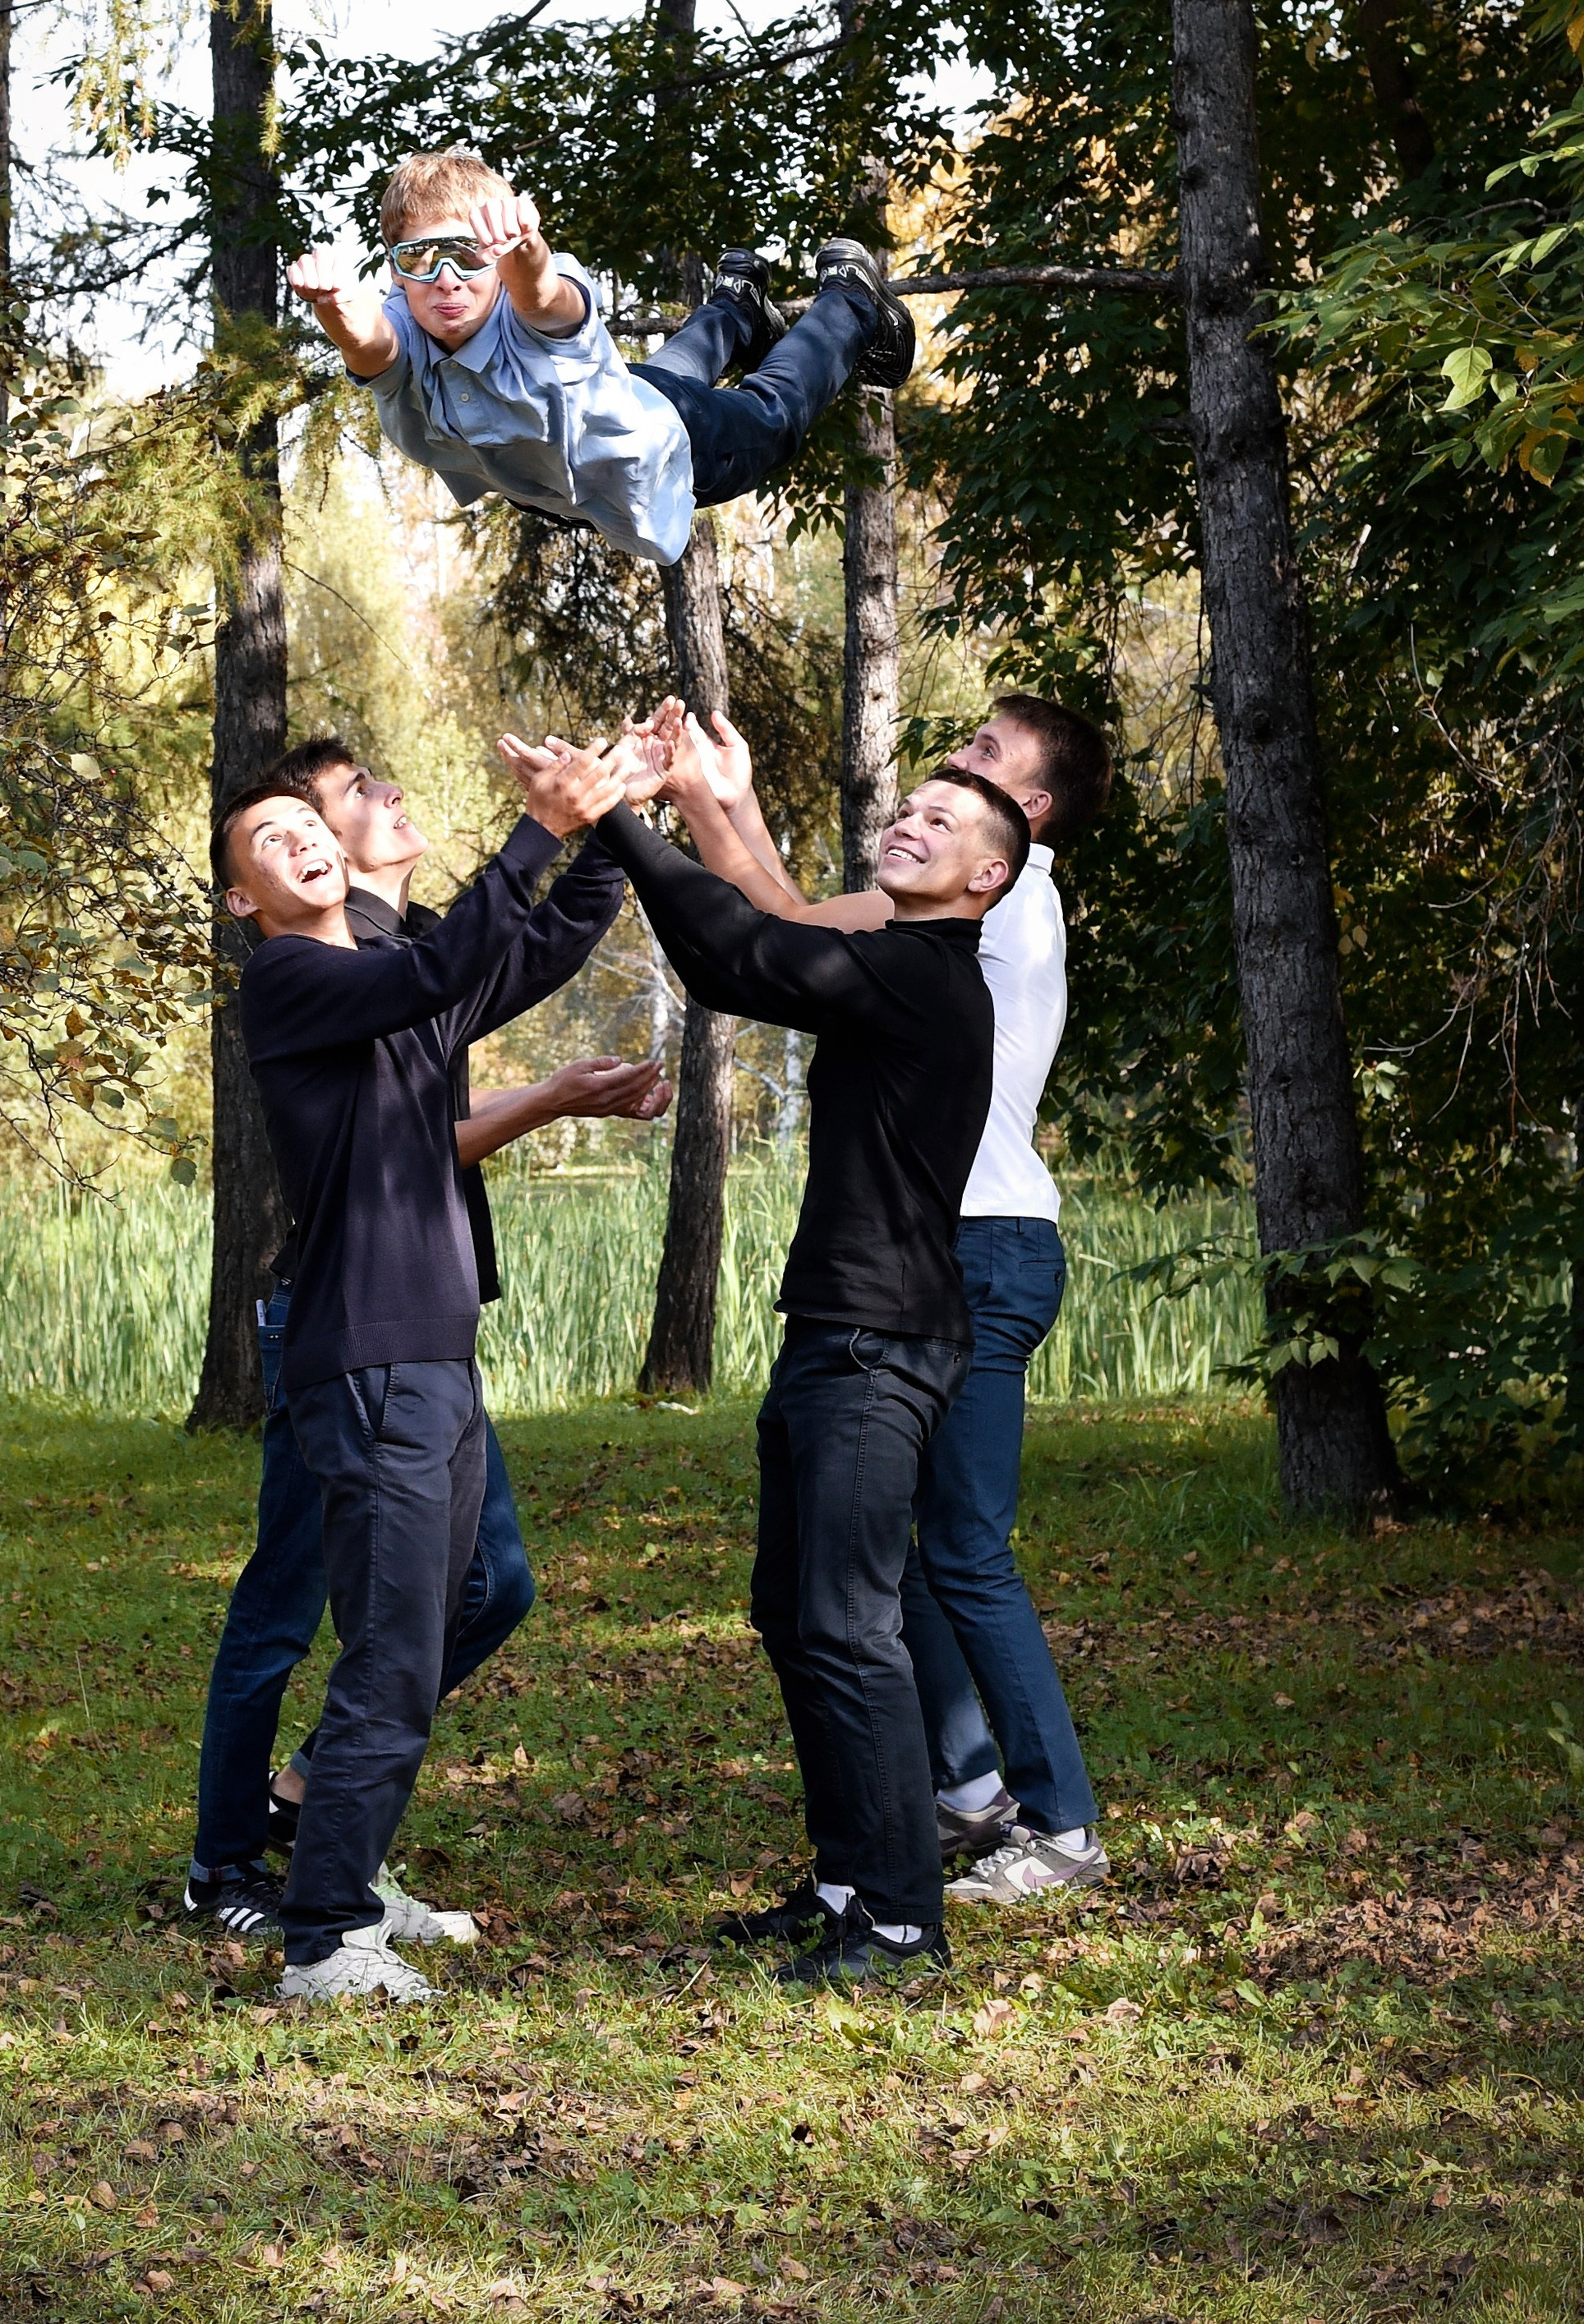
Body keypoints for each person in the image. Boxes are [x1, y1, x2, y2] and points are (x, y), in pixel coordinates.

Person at [504, 734, 1025, 1990]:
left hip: (879, 1343)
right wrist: (689, 808)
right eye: (907, 810)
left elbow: (735, 956)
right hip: (836, 1333)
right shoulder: (894, 962)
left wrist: (616, 820)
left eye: (943, 825)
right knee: (798, 1616)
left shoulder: (930, 977)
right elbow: (748, 936)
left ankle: (901, 1922)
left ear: (988, 880)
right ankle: (851, 1882)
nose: (908, 825)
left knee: (849, 1623)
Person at [182, 735, 669, 1941]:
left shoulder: (392, 976)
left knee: (439, 1618)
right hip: (369, 1354)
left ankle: (343, 1874)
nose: (306, 835)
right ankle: (319, 1919)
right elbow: (451, 957)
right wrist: (543, 827)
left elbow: (540, 945)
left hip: (433, 1353)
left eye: (309, 820)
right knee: (376, 1643)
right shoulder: (291, 978)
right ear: (246, 895)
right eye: (275, 836)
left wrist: (605, 815)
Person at [646, 693, 1117, 1905]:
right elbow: (794, 927)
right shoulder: (971, 894)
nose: (952, 764)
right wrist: (725, 799)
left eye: (983, 760)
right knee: (888, 1551)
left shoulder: (1008, 905)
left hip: (970, 1244)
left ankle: (1056, 1824)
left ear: (1030, 818)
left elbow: (779, 932)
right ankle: (960, 1791)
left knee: (960, 1549)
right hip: (946, 1244)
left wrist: (696, 805)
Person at [284, 147, 916, 568]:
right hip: (613, 415)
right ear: (394, 272)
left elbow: (541, 292)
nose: (447, 279)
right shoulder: (399, 325)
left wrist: (523, 245)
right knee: (655, 382)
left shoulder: (528, 307)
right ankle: (739, 307)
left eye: (470, 255)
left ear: (498, 260)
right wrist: (335, 300)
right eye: (421, 258)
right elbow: (367, 342)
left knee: (771, 414)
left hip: (675, 447)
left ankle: (851, 304)